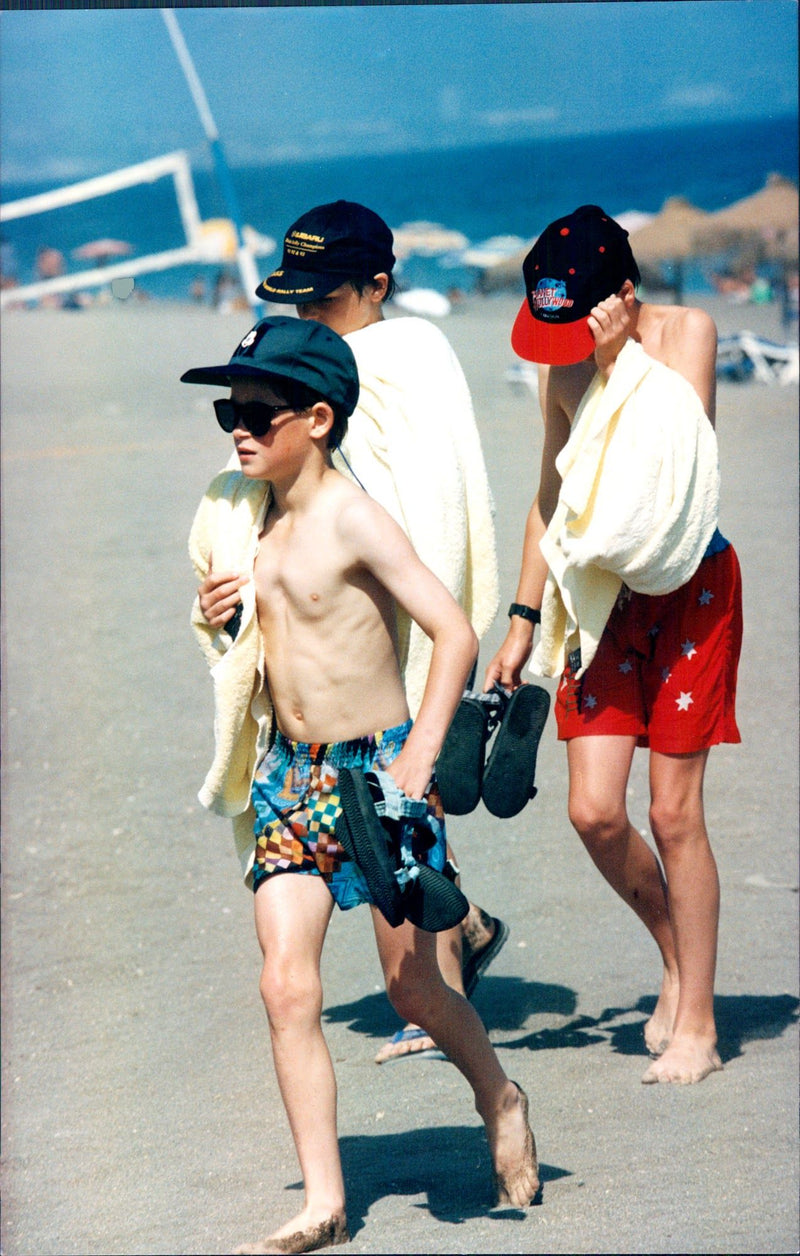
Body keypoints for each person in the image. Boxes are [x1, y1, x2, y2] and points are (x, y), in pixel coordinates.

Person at [184, 316, 539, 1254]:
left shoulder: (352, 515)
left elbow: (453, 633)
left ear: (320, 418)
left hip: (377, 771)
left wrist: (421, 754)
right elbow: (255, 646)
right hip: (289, 777)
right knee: (284, 985)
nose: (238, 426)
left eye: (260, 410)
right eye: (230, 407)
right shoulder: (243, 517)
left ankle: (499, 1097)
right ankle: (325, 1203)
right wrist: (220, 613)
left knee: (413, 987)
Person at [202, 200, 509, 1065]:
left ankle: (439, 987)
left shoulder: (412, 356)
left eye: (324, 301)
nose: (309, 320)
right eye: (294, 302)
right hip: (331, 605)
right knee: (402, 837)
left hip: (392, 585)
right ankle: (460, 941)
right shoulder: (305, 379)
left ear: (377, 285)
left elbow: (436, 475)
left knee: (409, 814)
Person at [485, 205, 742, 1086]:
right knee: (594, 812)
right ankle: (678, 954)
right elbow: (549, 501)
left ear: (624, 297)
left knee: (675, 813)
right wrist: (519, 620)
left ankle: (699, 1022)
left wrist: (613, 358)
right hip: (597, 602)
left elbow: (679, 460)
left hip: (688, 591)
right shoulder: (564, 370)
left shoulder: (688, 333)